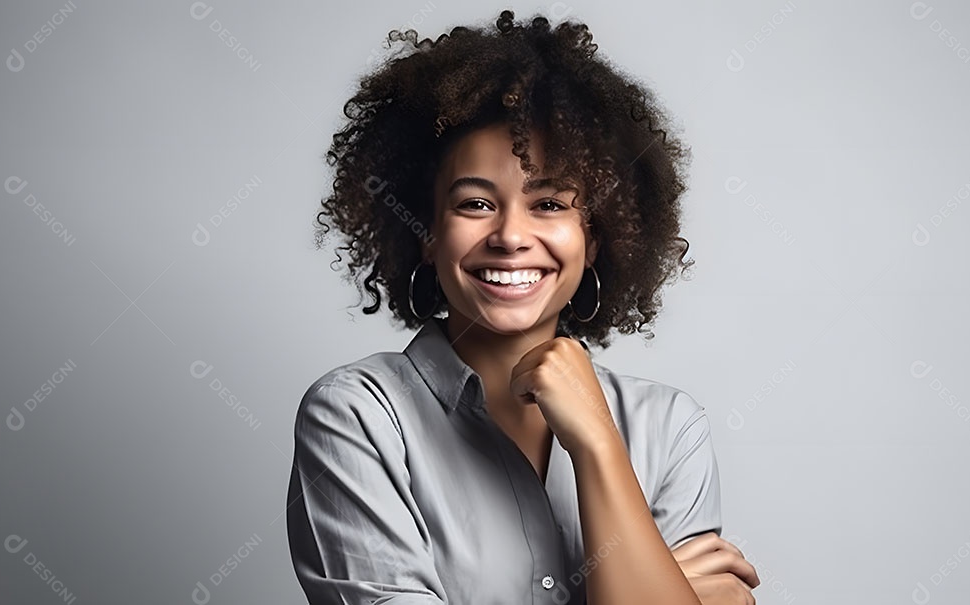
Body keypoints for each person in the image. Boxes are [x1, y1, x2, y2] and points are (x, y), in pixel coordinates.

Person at [287, 9, 760, 605]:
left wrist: (598, 444)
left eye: (550, 205)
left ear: (597, 238)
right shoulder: (358, 418)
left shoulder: (668, 429)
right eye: (476, 205)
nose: (510, 235)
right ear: (426, 234)